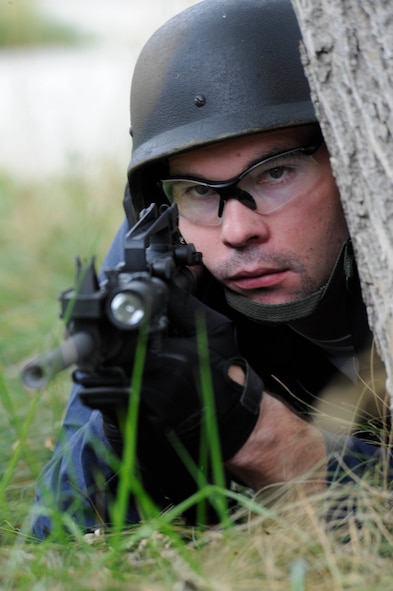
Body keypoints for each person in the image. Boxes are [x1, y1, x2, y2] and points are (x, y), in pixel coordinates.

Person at [31, 0, 391, 539]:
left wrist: (275, 444)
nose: (236, 230)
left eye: (276, 173)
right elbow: (55, 528)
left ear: (350, 161)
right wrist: (133, 434)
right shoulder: (156, 267)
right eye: (200, 190)